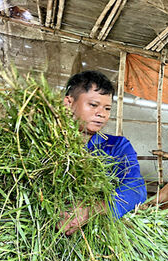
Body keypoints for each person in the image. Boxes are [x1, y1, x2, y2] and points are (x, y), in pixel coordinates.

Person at [57, 70, 147, 235]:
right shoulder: (49, 143)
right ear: (68, 103)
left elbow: (136, 189)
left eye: (107, 108)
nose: (102, 114)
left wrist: (91, 211)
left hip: (96, 237)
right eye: (93, 105)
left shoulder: (117, 147)